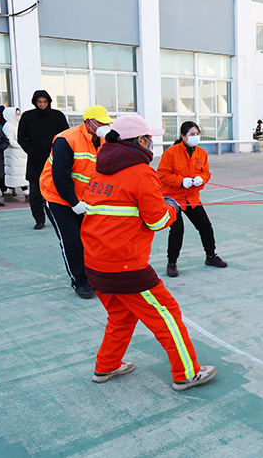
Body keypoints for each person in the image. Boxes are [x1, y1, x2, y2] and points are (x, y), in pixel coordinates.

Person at [80, 113, 216, 391]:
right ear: (140, 140)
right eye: (149, 138)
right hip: (125, 266)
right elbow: (156, 221)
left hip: (94, 263)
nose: (151, 142)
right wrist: (171, 207)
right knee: (167, 315)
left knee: (121, 316)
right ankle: (186, 372)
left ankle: (106, 365)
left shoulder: (99, 170)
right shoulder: (141, 173)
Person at [40, 105, 113, 299]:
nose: (105, 126)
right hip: (58, 198)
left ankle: (93, 277)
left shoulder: (104, 140)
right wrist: (73, 203)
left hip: (84, 198)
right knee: (72, 241)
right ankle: (80, 282)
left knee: (90, 240)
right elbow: (60, 176)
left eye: (107, 123)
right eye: (100, 123)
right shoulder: (67, 139)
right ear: (88, 122)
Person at [157, 121, 228, 277]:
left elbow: (206, 173)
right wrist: (181, 181)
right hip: (173, 199)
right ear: (183, 136)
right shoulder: (171, 153)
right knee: (177, 229)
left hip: (192, 198)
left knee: (205, 226)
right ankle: (172, 263)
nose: (195, 136)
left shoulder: (201, 153)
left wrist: (201, 179)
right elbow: (161, 174)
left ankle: (211, 256)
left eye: (197, 133)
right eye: (191, 134)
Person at [18, 90, 70, 229]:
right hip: (35, 162)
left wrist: (58, 153)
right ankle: (39, 219)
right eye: (39, 102)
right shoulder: (27, 117)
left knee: (57, 192)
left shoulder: (57, 116)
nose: (42, 104)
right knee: (35, 194)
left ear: (49, 102)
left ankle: (60, 218)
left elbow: (65, 136)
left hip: (54, 161)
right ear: (35, 102)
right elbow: (21, 137)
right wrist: (32, 152)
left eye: (45, 102)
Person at [2, 107, 28, 200]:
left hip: (19, 154)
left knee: (16, 175)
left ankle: (8, 193)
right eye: (16, 114)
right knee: (17, 174)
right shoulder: (8, 126)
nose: (18, 116)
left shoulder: (17, 124)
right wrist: (21, 146)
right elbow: (10, 140)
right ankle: (27, 193)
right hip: (13, 154)